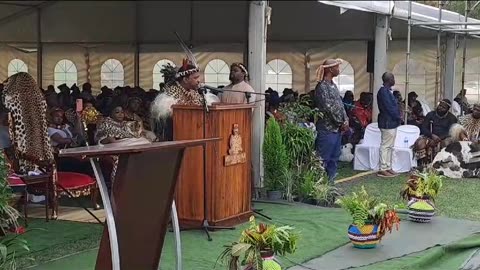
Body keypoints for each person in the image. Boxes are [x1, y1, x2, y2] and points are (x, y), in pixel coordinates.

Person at [150, 59, 206, 141]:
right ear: (185, 80)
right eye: (195, 78)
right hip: (174, 137)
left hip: (194, 134)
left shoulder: (195, 93)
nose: (199, 81)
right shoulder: (171, 92)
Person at [313, 59, 348, 184]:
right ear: (329, 69)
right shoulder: (322, 87)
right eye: (337, 67)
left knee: (334, 159)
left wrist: (346, 120)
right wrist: (340, 122)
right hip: (327, 130)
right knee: (323, 159)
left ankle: (330, 185)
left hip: (336, 130)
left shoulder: (333, 85)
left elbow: (340, 104)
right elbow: (328, 108)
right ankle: (318, 186)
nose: (339, 69)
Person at [413, 99, 457, 167]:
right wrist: (432, 136)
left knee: (447, 143)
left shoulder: (452, 118)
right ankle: (423, 164)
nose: (440, 108)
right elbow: (423, 128)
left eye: (443, 107)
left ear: (447, 109)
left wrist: (439, 138)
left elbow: (451, 131)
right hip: (430, 136)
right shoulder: (430, 114)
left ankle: (442, 165)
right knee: (420, 143)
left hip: (444, 138)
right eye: (440, 105)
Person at [377, 72, 401, 178]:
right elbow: (389, 108)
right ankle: (383, 168)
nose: (394, 80)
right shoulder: (383, 92)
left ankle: (388, 167)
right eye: (393, 78)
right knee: (385, 146)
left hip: (391, 122)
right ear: (389, 80)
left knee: (390, 146)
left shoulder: (387, 91)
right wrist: (398, 117)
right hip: (387, 122)